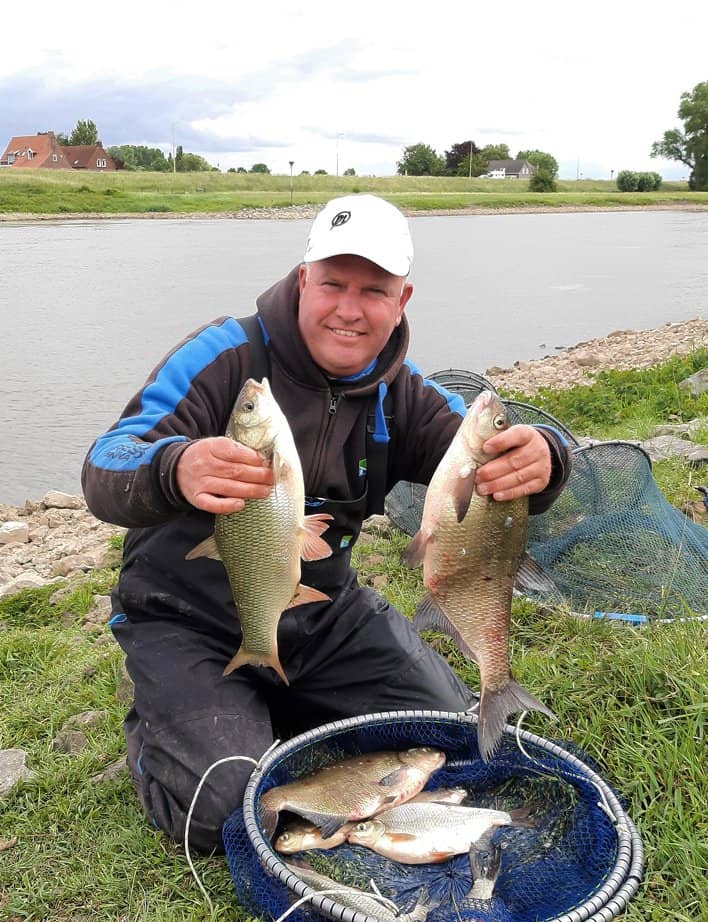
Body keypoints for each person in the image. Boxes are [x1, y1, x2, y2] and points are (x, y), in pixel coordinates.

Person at [82, 194, 572, 853]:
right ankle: (160, 725)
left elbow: (487, 461)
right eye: (334, 283)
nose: (349, 308)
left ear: (403, 299)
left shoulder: (405, 393)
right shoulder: (225, 356)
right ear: (304, 277)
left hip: (321, 616)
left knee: (445, 736)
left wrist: (545, 460)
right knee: (222, 809)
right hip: (185, 620)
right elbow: (105, 463)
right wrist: (175, 467)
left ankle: (276, 706)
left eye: (374, 290)